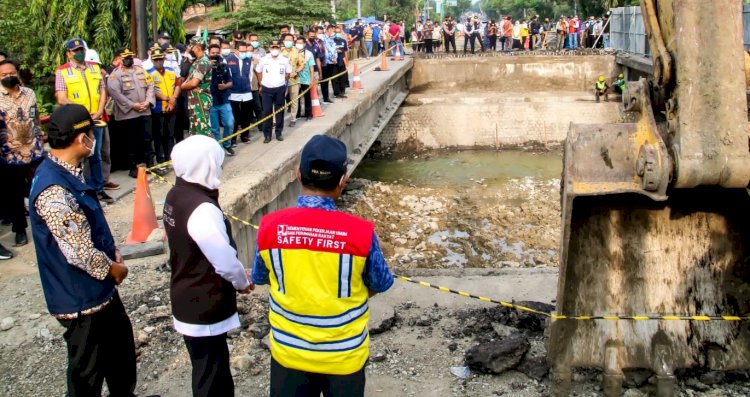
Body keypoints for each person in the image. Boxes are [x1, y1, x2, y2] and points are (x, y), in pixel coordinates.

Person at [252, 134, 394, 397]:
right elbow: (381, 282)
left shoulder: (270, 227)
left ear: (298, 173)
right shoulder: (361, 233)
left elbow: (261, 277)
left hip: (288, 353)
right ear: (343, 181)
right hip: (344, 356)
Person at [29, 104, 137, 397]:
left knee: (121, 356)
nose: (93, 139)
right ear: (80, 139)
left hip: (99, 292)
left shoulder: (68, 172)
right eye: (91, 133)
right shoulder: (54, 190)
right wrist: (114, 269)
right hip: (80, 298)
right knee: (87, 374)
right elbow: (77, 251)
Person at [163, 135, 253, 397]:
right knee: (212, 376)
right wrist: (242, 281)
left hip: (185, 292)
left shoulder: (176, 193)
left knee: (205, 368)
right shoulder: (201, 208)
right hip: (204, 301)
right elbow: (222, 259)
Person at [55, 38, 113, 203]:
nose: (79, 53)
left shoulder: (94, 68)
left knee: (96, 154)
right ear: (68, 53)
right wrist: (82, 112)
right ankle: (80, 189)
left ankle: (98, 189)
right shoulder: (63, 71)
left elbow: (102, 90)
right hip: (77, 120)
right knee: (78, 155)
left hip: (96, 118)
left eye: (81, 49)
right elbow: (61, 97)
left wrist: (101, 109)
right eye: (75, 51)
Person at [0, 59, 44, 250]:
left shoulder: (29, 94)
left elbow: (36, 117)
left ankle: (46, 224)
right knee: (16, 194)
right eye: (3, 75)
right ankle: (20, 230)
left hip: (34, 151)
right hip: (10, 155)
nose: (9, 77)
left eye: (11, 73)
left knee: (40, 188)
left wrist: (40, 137)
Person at [107, 48, 156, 178]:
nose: (128, 60)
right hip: (128, 114)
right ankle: (133, 167)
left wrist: (148, 101)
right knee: (131, 141)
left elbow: (150, 85)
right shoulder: (115, 74)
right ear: (120, 59)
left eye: (130, 57)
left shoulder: (140, 70)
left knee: (147, 138)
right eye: (125, 58)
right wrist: (132, 105)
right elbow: (115, 93)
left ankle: (151, 165)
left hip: (145, 111)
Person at [148, 48, 180, 164]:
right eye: (156, 59)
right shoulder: (148, 73)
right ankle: (160, 159)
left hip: (172, 107)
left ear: (164, 59)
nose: (158, 61)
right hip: (158, 109)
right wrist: (166, 98)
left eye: (160, 59)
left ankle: (169, 157)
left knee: (170, 134)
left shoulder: (171, 71)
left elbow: (177, 85)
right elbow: (151, 90)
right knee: (159, 135)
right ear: (152, 60)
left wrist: (173, 99)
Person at [256, 41, 291, 143]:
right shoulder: (264, 59)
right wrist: (261, 83)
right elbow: (258, 71)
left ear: (279, 48)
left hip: (279, 88)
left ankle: (278, 133)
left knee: (279, 111)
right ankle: (267, 135)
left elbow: (288, 73)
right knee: (267, 112)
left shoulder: (284, 60)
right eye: (273, 47)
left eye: (277, 47)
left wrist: (282, 80)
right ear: (269, 48)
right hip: (266, 88)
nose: (275, 49)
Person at [180, 37, 213, 138]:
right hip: (195, 101)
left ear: (198, 47)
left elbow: (194, 82)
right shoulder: (197, 61)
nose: (190, 49)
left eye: (192, 46)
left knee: (203, 130)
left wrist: (182, 86)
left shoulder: (203, 62)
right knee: (195, 131)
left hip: (200, 100)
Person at [207, 44, 234, 156]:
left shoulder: (224, 66)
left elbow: (231, 82)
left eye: (217, 53)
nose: (215, 55)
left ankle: (227, 144)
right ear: (208, 53)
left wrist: (225, 86)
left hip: (224, 100)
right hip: (210, 101)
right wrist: (208, 67)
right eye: (213, 53)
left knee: (229, 123)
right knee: (214, 128)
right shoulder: (204, 66)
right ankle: (219, 148)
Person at [226, 41, 255, 144]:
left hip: (246, 93)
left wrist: (249, 87)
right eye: (241, 51)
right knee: (234, 118)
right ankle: (233, 138)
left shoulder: (248, 60)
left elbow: (250, 76)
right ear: (236, 50)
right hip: (233, 93)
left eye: (245, 51)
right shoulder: (228, 60)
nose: (243, 53)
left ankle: (244, 136)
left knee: (246, 117)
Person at [281, 33, 305, 127]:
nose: (289, 42)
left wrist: (296, 71)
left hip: (294, 80)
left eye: (290, 40)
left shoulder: (296, 51)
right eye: (287, 40)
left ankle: (293, 118)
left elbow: (302, 64)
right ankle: (278, 120)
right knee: (280, 101)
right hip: (282, 81)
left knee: (294, 100)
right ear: (283, 41)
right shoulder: (280, 52)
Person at [295, 37, 315, 121]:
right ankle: (297, 114)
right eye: (297, 42)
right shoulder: (293, 53)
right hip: (295, 79)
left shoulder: (309, 54)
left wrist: (312, 79)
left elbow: (311, 67)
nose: (299, 44)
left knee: (307, 97)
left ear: (304, 44)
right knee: (296, 98)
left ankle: (308, 114)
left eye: (301, 43)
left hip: (306, 79)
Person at [321, 25, 337, 104]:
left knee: (328, 80)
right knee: (324, 81)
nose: (333, 32)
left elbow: (334, 49)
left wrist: (335, 58)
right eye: (332, 30)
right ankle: (325, 98)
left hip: (332, 62)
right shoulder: (323, 38)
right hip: (325, 62)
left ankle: (326, 97)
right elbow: (327, 50)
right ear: (329, 30)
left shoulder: (332, 39)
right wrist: (332, 58)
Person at [333, 27, 349, 99]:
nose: (338, 34)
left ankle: (342, 91)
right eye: (336, 32)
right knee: (335, 78)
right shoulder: (332, 41)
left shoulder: (343, 41)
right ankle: (336, 92)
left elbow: (345, 51)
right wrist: (335, 51)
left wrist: (347, 60)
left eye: (339, 32)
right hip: (334, 62)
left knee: (343, 77)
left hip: (342, 61)